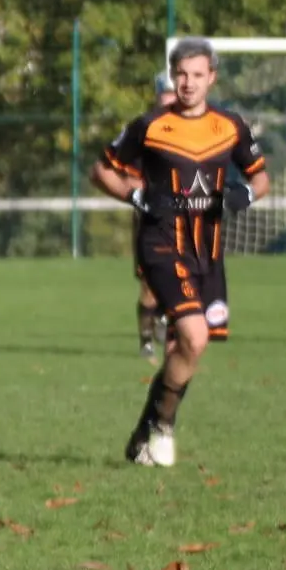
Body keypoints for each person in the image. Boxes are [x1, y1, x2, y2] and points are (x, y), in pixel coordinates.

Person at [92, 38, 270, 467]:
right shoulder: (150, 126)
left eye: (197, 75)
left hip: (207, 253)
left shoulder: (230, 126)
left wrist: (243, 196)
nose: (188, 83)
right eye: (181, 75)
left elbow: (261, 178)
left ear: (212, 78)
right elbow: (102, 170)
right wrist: (136, 197)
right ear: (173, 77)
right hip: (160, 244)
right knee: (194, 335)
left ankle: (144, 433)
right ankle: (164, 427)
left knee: (186, 348)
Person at [132, 72, 178, 359]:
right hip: (151, 217)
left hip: (183, 217)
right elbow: (127, 172)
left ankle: (164, 319)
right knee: (150, 283)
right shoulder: (145, 130)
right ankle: (146, 342)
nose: (171, 99)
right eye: (166, 93)